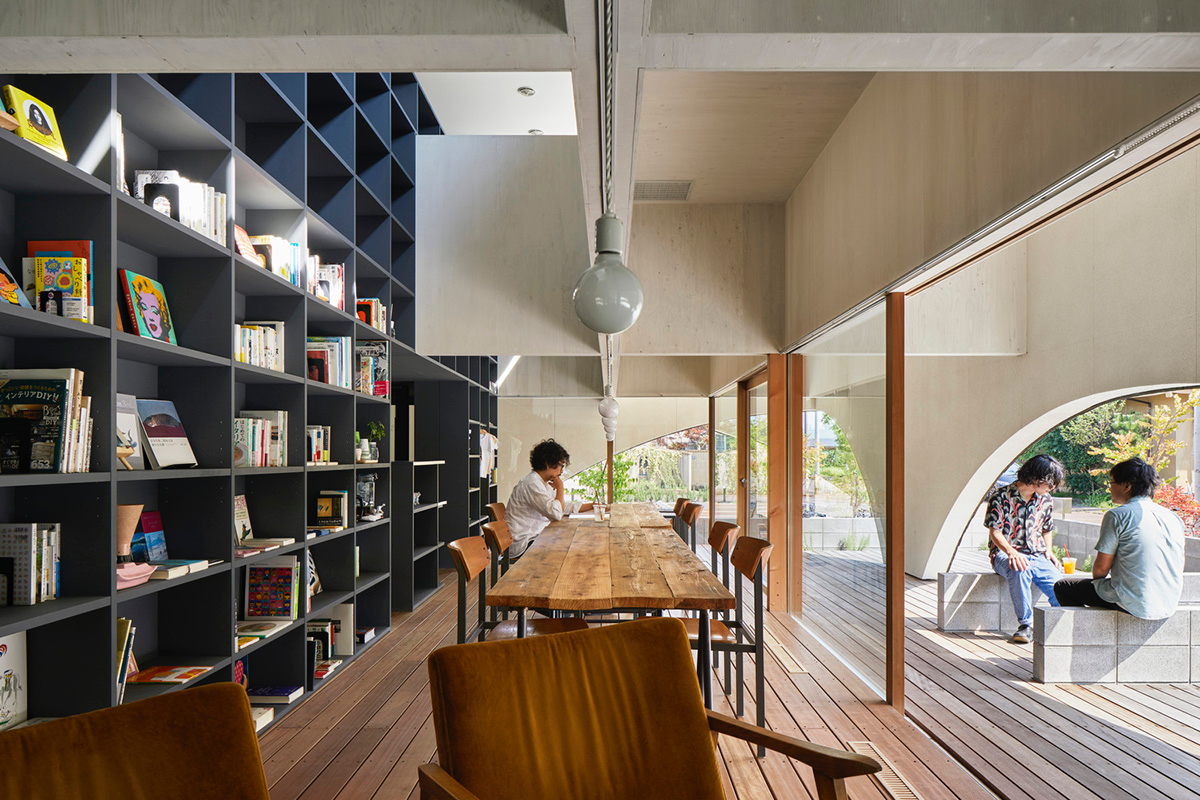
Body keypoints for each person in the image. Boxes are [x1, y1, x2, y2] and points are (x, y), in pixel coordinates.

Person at [1054, 458, 1185, 619]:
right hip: (1169, 602)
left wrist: (1099, 583)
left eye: (1111, 483)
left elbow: (1101, 568)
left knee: (1063, 586)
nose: (1109, 488)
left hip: (1135, 603)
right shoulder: (1173, 518)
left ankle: (1085, 630)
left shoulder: (1117, 515)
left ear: (1127, 486)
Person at [985, 454, 1065, 643]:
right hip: (1005, 554)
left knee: (1062, 588)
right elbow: (994, 531)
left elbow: (1047, 529)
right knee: (1020, 568)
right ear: (1037, 478)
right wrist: (1011, 552)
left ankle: (1058, 627)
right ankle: (1025, 625)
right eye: (1051, 483)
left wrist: (1049, 551)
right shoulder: (1001, 496)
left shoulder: (1046, 500)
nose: (1052, 488)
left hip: (1037, 554)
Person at [506, 439, 594, 558]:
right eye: (561, 466)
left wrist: (593, 505)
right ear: (548, 463)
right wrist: (560, 487)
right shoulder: (532, 484)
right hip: (524, 542)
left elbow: (562, 507)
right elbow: (556, 514)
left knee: (573, 542)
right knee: (572, 546)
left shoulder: (541, 483)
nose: (561, 471)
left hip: (535, 537)